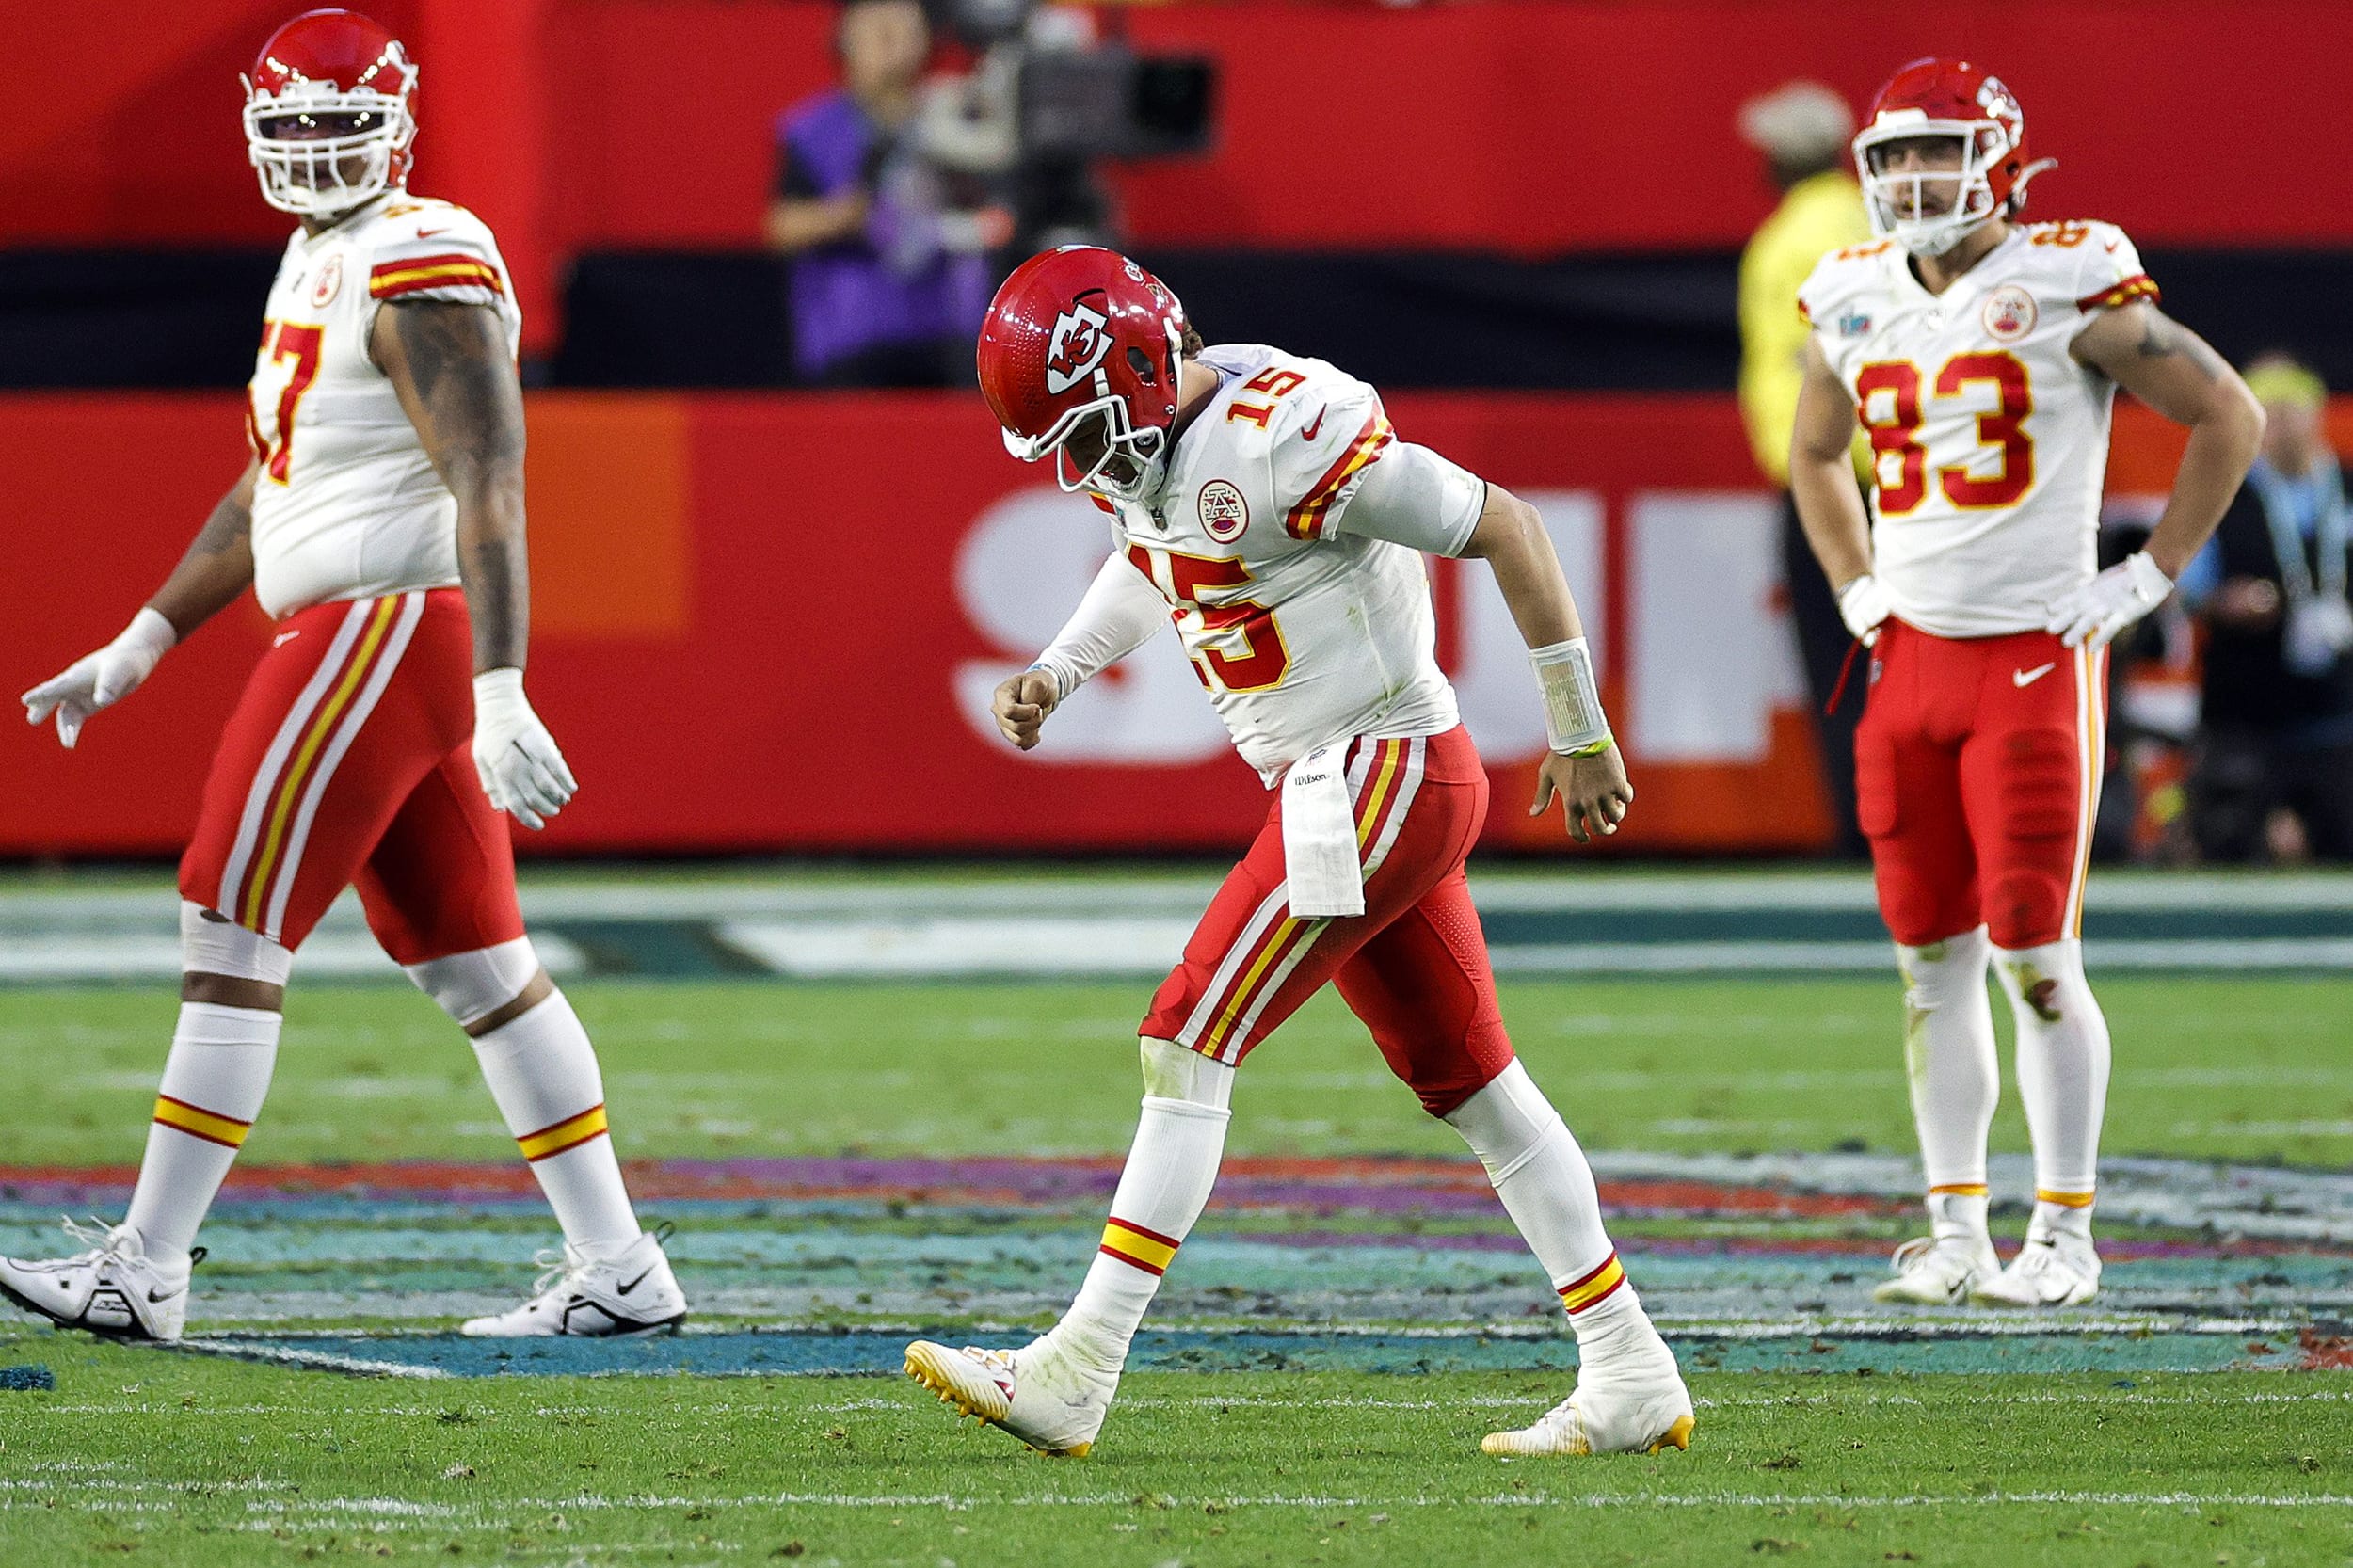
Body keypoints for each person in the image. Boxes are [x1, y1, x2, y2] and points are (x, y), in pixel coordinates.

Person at [900, 246, 1692, 1460]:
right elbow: (1150, 553)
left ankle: (1079, 1364)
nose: (1079, 470)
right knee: (1474, 1085)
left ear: (1147, 370)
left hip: (1376, 769)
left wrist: (1579, 726)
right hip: (1347, 783)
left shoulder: (1288, 435)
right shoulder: (1155, 448)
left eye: (1087, 433)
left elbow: (1511, 529)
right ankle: (1628, 1366)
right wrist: (1060, 667)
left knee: (1186, 1034)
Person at [2, 8, 685, 1342]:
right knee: (477, 962)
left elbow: (488, 473)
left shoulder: (420, 252)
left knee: (230, 921)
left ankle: (145, 1265)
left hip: (382, 622)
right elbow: (276, 481)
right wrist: (146, 635)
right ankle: (619, 1265)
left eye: (341, 121)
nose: (317, 150)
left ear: (402, 121)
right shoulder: (319, 258)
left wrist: (500, 686)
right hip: (374, 621)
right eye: (294, 124)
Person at [1790, 59, 2262, 1309]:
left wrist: (2147, 578)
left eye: (1935, 151)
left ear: (1999, 156)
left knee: (2037, 957)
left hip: (2034, 662)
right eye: (1889, 158)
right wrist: (1853, 584)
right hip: (1910, 666)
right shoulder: (1845, 292)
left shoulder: (2066, 272)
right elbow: (1816, 452)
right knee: (1928, 965)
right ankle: (1954, 1231)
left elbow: (2231, 415)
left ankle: (2063, 1235)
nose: (1908, 178)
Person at [1736, 81, 1874, 856]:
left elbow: (1815, 364)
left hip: (1829, 478)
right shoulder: (1863, 220)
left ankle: (1865, 829)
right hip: (1886, 477)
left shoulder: (1792, 240)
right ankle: (1897, 825)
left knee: (1839, 665)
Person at [765, 0, 1010, 386]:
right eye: (880, 33)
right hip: (854, 335)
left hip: (950, 329)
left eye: (905, 30)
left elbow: (993, 207)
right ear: (845, 41)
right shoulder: (812, 131)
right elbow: (781, 227)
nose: (893, 45)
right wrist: (845, 216)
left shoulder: (954, 115)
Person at [2178, 356, 2353, 861]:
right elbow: (2185, 588)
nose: (2278, 426)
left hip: (2337, 713)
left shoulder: (2343, 486)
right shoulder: (2222, 491)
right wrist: (2224, 602)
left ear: (2316, 414)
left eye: (2289, 412)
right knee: (2230, 844)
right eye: (2265, 414)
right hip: (2246, 712)